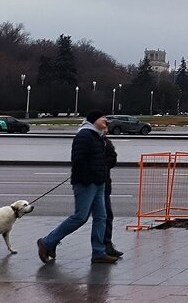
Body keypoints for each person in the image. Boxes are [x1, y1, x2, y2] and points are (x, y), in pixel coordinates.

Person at [36, 110, 118, 264]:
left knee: (101, 217)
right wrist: (88, 178)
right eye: (103, 118)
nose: (106, 120)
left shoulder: (98, 136)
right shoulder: (85, 135)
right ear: (94, 120)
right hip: (86, 183)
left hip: (99, 183)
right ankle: (47, 242)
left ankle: (99, 252)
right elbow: (78, 160)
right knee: (80, 217)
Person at [102, 132, 123, 258]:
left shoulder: (104, 141)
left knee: (106, 216)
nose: (106, 127)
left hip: (103, 184)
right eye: (103, 122)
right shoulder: (87, 137)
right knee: (79, 218)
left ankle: (105, 246)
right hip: (91, 184)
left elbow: (112, 159)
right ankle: (49, 242)